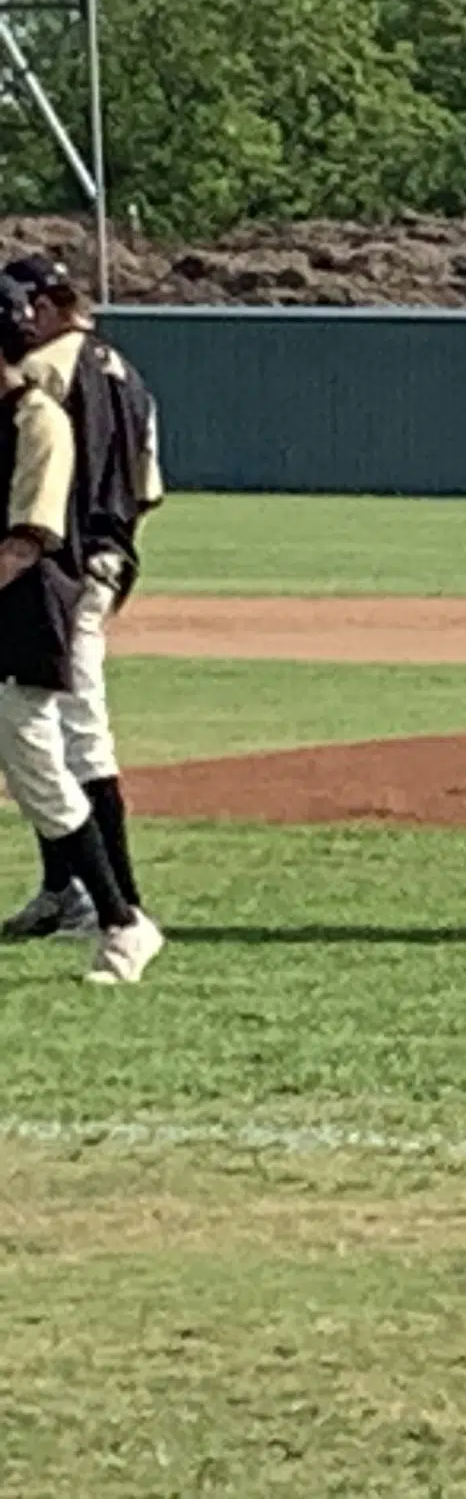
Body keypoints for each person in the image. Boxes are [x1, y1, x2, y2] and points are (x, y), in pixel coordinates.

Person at [0, 274, 161, 981]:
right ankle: (87, 898)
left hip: (46, 588)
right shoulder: (127, 370)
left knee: (54, 745)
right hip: (106, 556)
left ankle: (114, 909)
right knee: (56, 741)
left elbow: (29, 533)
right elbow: (148, 485)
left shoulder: (40, 389)